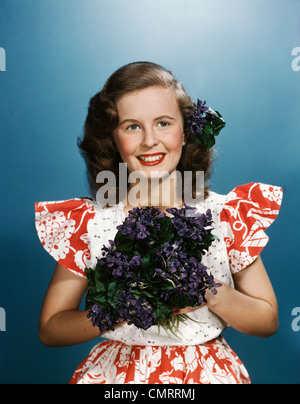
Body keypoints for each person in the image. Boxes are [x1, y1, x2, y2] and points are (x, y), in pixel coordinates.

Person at [35, 61, 282, 384]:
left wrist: (208, 291)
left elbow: (267, 320)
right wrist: (117, 310)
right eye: (132, 126)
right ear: (112, 139)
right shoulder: (91, 222)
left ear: (186, 131)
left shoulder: (225, 215)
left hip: (204, 374)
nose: (150, 140)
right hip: (117, 377)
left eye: (163, 123)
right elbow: (51, 328)